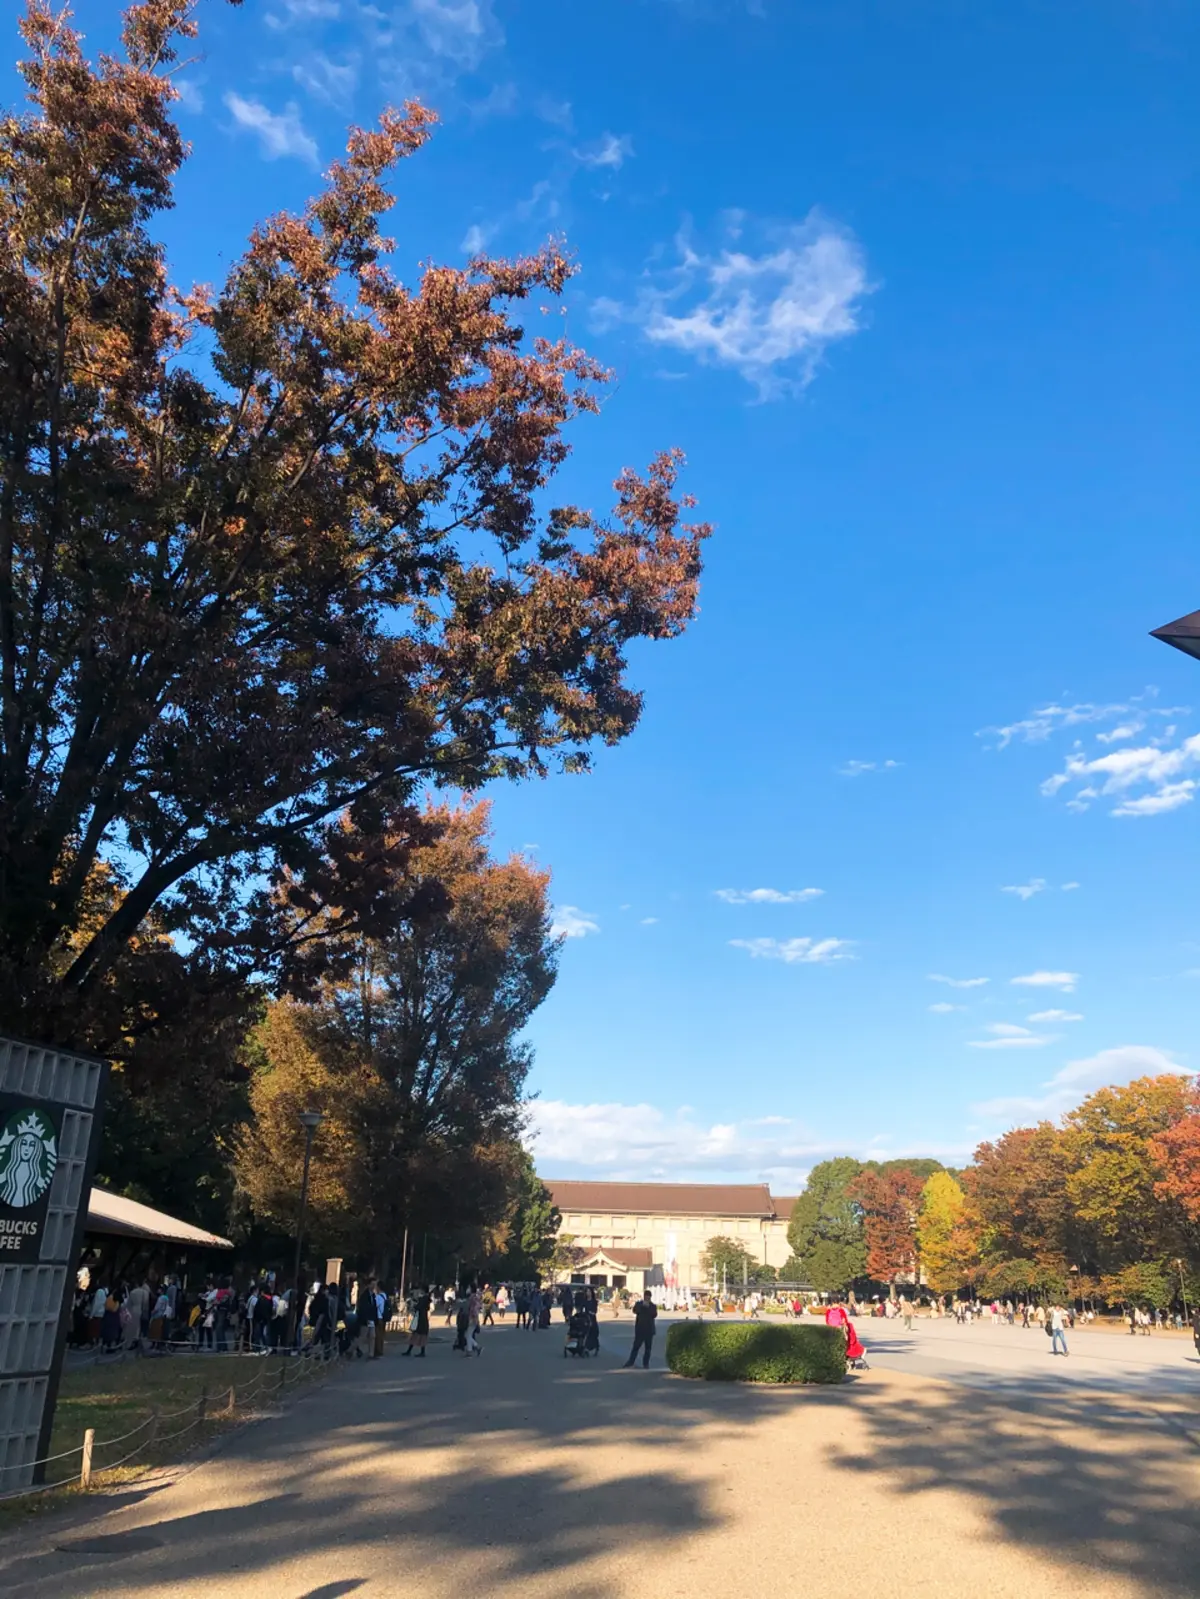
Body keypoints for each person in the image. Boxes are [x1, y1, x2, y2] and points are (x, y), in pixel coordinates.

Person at [623, 1289, 658, 1369]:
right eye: (646, 1297)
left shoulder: (653, 1306)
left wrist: (648, 1307)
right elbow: (635, 1311)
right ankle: (630, 1362)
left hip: (649, 1331)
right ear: (644, 1297)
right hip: (640, 1330)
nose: (647, 1299)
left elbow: (654, 1314)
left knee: (648, 1349)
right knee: (636, 1347)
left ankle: (646, 1364)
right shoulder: (639, 1304)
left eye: (648, 1297)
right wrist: (642, 1306)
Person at [401, 1287, 431, 1357]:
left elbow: (418, 1307)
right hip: (423, 1318)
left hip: (420, 1318)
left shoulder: (423, 1299)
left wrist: (414, 1305)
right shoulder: (426, 1299)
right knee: (421, 1335)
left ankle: (410, 1351)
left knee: (416, 1334)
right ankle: (420, 1351)